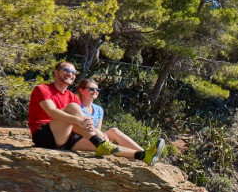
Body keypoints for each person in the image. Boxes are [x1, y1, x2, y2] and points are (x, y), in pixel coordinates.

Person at [28, 62, 165, 164]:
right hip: (44, 135)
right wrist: (81, 122)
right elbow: (52, 112)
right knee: (73, 108)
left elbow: (77, 124)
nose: (70, 74)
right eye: (66, 70)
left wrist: (96, 133)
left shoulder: (72, 96)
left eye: (74, 72)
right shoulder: (43, 89)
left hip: (65, 138)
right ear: (56, 72)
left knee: (108, 146)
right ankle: (99, 142)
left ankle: (143, 156)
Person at [75, 77, 145, 153]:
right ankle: (138, 154)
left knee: (114, 131)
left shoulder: (98, 109)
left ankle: (143, 152)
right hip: (81, 139)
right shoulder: (76, 106)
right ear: (81, 91)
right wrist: (99, 134)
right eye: (91, 89)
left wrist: (102, 135)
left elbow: (98, 129)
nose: (95, 91)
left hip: (97, 137)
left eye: (97, 90)